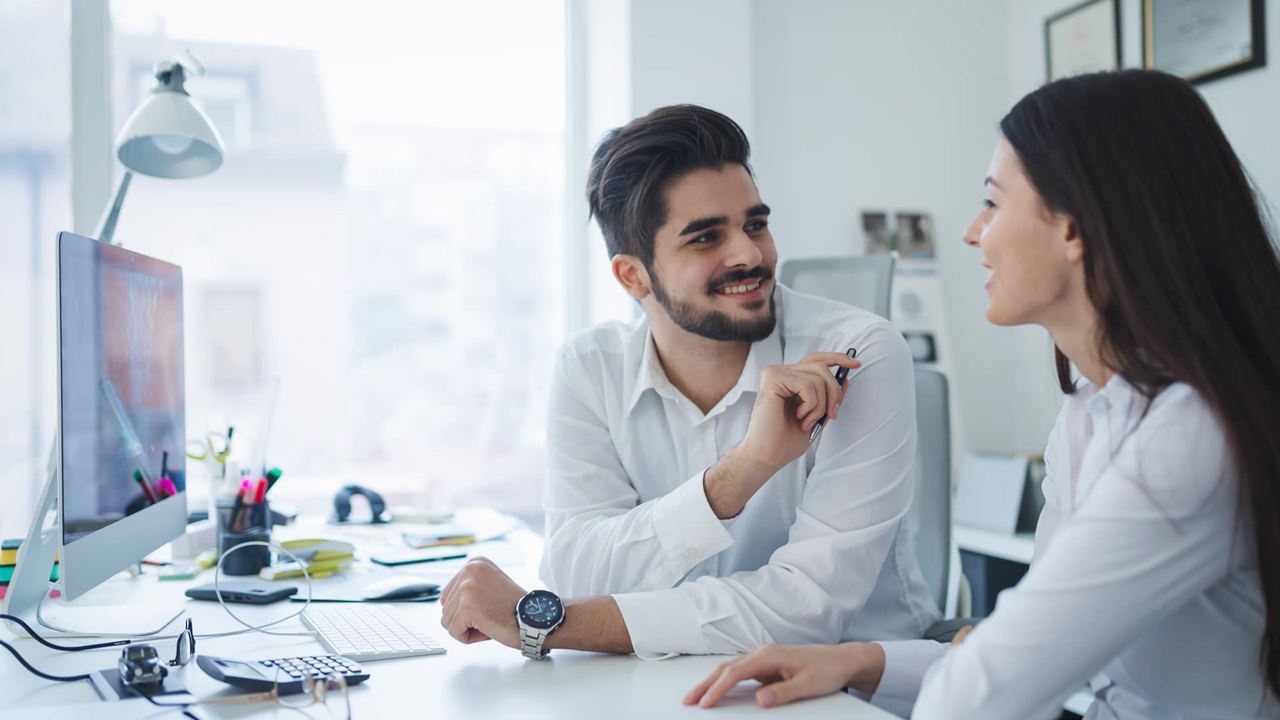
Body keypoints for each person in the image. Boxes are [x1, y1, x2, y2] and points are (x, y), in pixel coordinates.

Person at [684, 69, 1280, 718]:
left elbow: (984, 692)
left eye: (993, 203)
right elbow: (1016, 652)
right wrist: (859, 661)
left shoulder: (1188, 438)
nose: (972, 232)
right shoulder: (1089, 409)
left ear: (1075, 228)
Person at [438, 104, 940, 659]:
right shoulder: (590, 367)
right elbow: (574, 568)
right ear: (633, 276)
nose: (750, 254)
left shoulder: (857, 352)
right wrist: (737, 477)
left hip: (854, 690)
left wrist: (544, 625)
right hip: (670, 682)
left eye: (755, 224)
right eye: (705, 238)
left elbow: (807, 610)